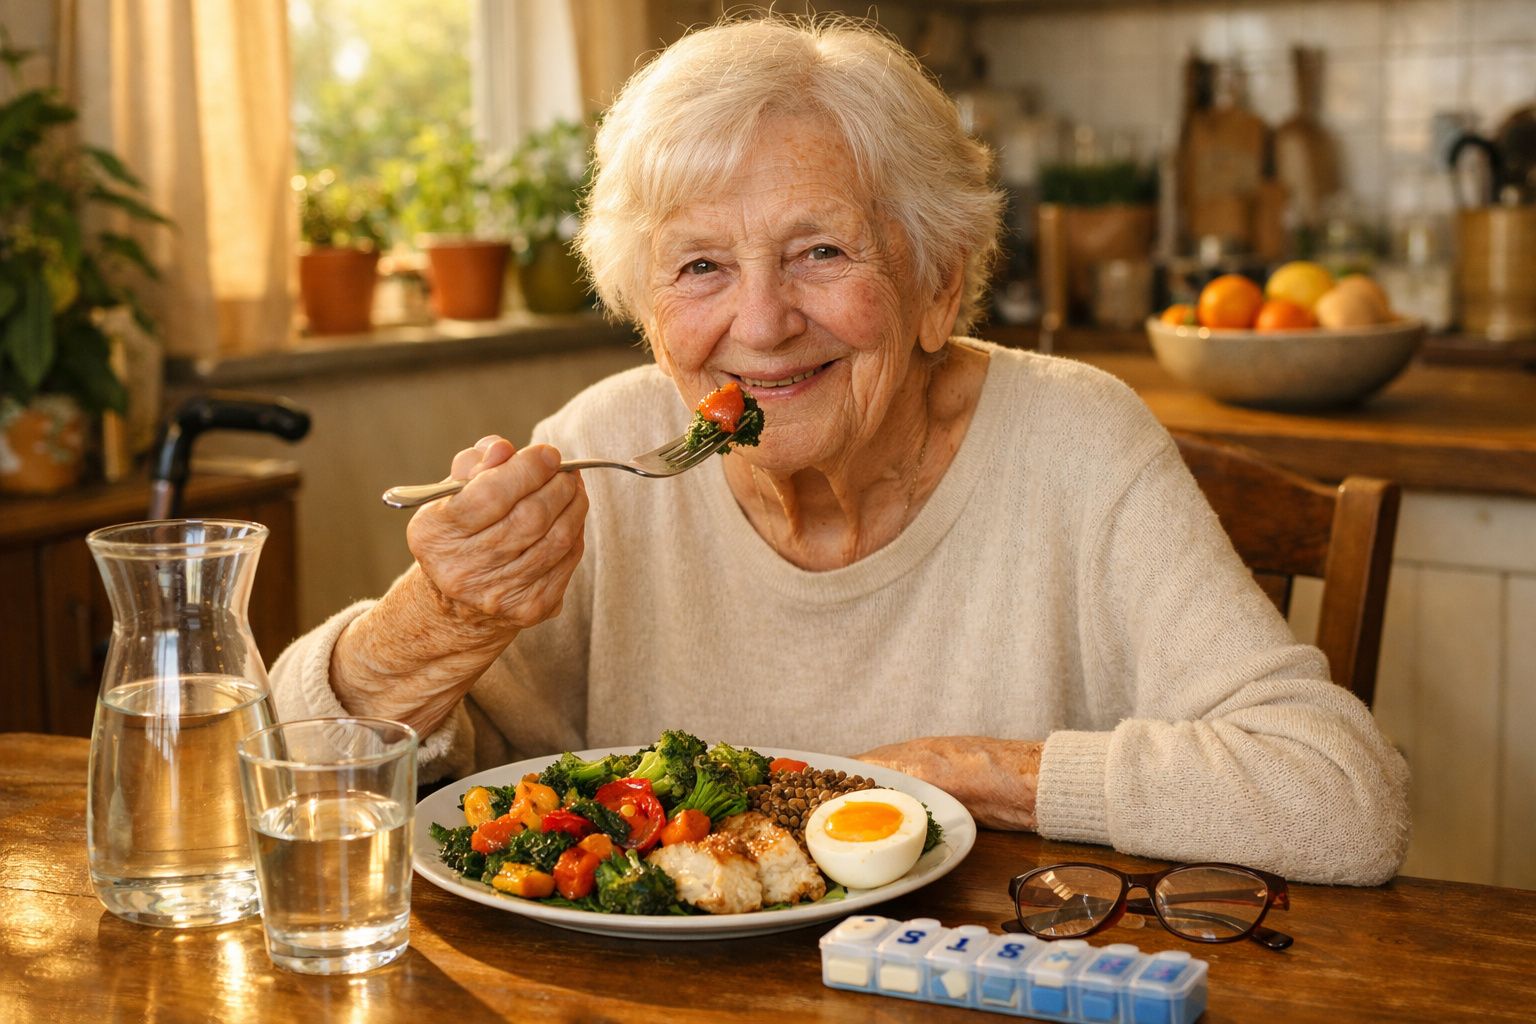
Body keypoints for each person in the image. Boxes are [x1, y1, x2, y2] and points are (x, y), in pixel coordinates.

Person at [271, 16, 1409, 886]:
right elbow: (285, 768)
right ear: (647, 310)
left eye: (820, 251)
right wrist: (439, 624)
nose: (762, 324)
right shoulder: (607, 452)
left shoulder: (1074, 439)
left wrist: (958, 777)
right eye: (701, 267)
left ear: (938, 285)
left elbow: (1342, 797)